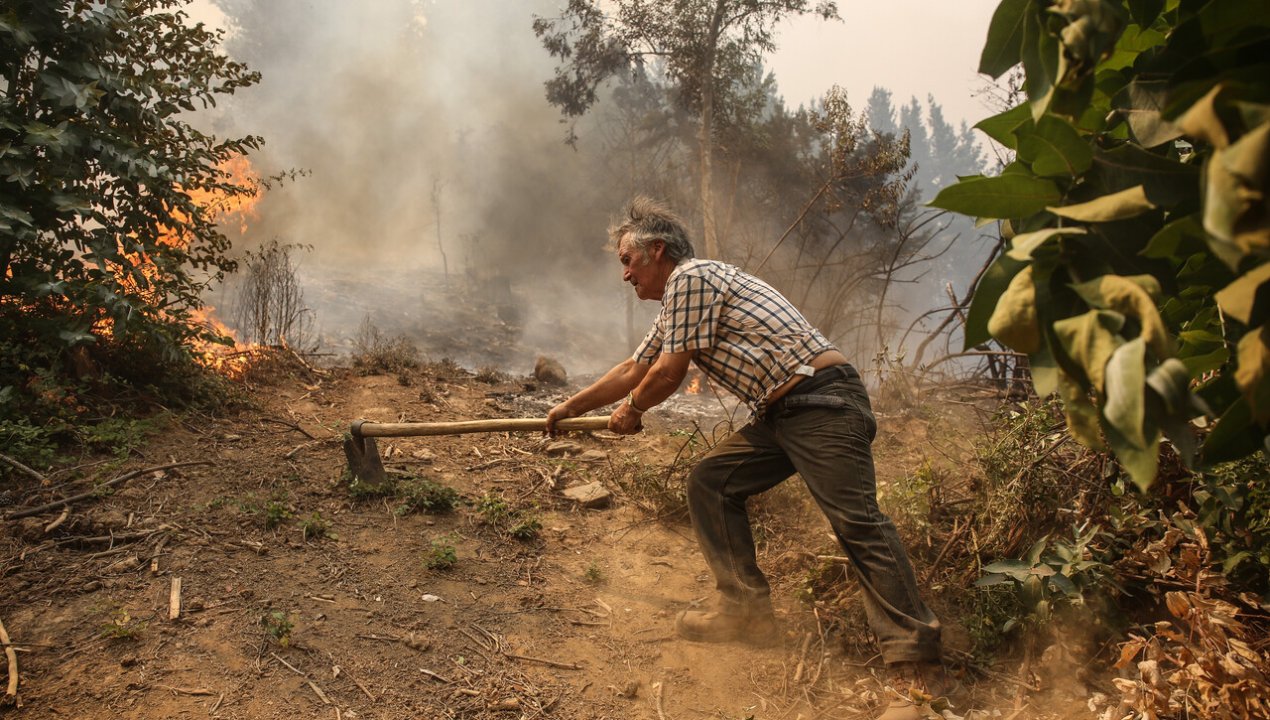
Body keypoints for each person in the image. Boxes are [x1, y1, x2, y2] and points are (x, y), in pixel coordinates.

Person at [546, 197, 949, 720]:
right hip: (782, 414)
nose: (624, 274)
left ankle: (918, 674)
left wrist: (633, 410)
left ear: (657, 251)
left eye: (628, 261)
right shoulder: (678, 303)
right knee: (711, 482)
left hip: (822, 400)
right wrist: (571, 406)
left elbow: (664, 376)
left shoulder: (691, 277)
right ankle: (744, 611)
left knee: (857, 523)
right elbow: (634, 365)